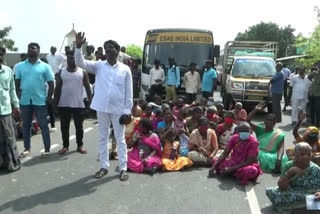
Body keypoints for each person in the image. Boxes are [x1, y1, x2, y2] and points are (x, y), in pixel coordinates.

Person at [75, 32, 133, 181]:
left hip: (118, 109)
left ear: (117, 50)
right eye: (106, 47)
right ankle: (104, 167)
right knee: (102, 138)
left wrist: (127, 111)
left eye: (111, 47)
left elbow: (129, 92)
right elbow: (80, 63)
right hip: (102, 107)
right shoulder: (99, 65)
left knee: (120, 139)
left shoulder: (125, 69)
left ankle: (123, 168)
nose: (108, 49)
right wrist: (78, 46)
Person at [15, 43, 54, 159]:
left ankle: (47, 149)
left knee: (43, 125)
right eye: (29, 48)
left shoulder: (45, 66)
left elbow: (51, 83)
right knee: (26, 125)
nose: (31, 50)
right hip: (25, 101)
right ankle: (27, 149)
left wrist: (49, 98)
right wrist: (18, 96)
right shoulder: (21, 66)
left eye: (33, 48)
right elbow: (17, 82)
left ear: (38, 50)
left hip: (40, 100)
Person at [54, 50, 92, 155]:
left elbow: (88, 88)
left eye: (74, 58)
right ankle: (65, 146)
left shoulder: (83, 72)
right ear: (67, 59)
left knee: (79, 127)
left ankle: (80, 145)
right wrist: (55, 104)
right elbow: (58, 88)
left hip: (78, 104)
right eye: (70, 58)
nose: (72, 60)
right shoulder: (62, 72)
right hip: (64, 104)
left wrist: (90, 102)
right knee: (64, 127)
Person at [266, 142, 320, 213]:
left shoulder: (316, 168)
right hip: (293, 192)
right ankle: (305, 206)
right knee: (274, 192)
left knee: (314, 198)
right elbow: (281, 187)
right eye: (302, 154)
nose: (306, 157)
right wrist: (290, 172)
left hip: (311, 195)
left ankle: (300, 207)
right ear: (295, 155)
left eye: (308, 154)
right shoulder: (288, 165)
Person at [247, 103, 288, 172]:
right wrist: (255, 110)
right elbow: (247, 122)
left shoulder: (279, 134)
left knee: (285, 160)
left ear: (275, 122)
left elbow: (281, 148)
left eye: (271, 120)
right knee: (253, 154)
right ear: (264, 121)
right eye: (267, 120)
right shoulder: (260, 129)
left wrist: (279, 159)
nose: (269, 122)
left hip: (272, 156)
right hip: (259, 154)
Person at [0, 47, 21, 171]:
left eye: (1, 54)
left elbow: (12, 89)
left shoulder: (8, 71)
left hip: (5, 110)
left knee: (9, 138)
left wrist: (16, 105)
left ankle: (13, 163)